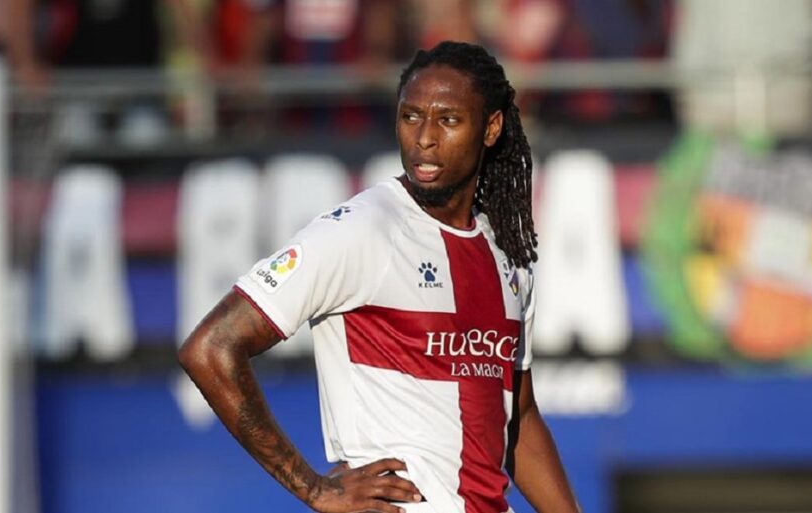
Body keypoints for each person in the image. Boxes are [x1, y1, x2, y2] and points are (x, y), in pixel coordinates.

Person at [179, 41, 580, 513]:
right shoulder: (362, 229)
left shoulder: (507, 252)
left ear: (490, 128)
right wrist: (313, 489)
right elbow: (210, 347)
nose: (424, 138)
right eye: (411, 117)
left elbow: (519, 418)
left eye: (448, 120)